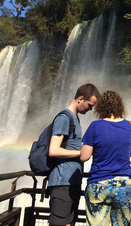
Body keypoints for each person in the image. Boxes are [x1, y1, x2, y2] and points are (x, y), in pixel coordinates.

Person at [80, 91, 131, 226]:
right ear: (120, 106)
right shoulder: (129, 126)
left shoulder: (95, 126)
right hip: (123, 185)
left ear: (101, 107)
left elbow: (84, 156)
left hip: (98, 184)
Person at [47, 83, 101, 226]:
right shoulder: (64, 118)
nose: (90, 109)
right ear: (80, 99)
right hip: (62, 183)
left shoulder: (75, 118)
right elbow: (53, 150)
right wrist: (81, 152)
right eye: (90, 105)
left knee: (70, 223)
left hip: (72, 183)